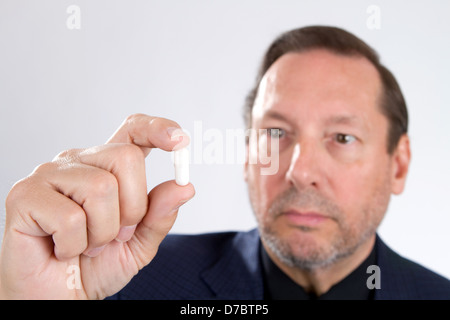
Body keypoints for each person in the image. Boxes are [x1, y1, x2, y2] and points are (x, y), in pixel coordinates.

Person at [0, 25, 449, 300]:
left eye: (343, 138)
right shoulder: (124, 282)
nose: (299, 171)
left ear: (398, 165)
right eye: (275, 134)